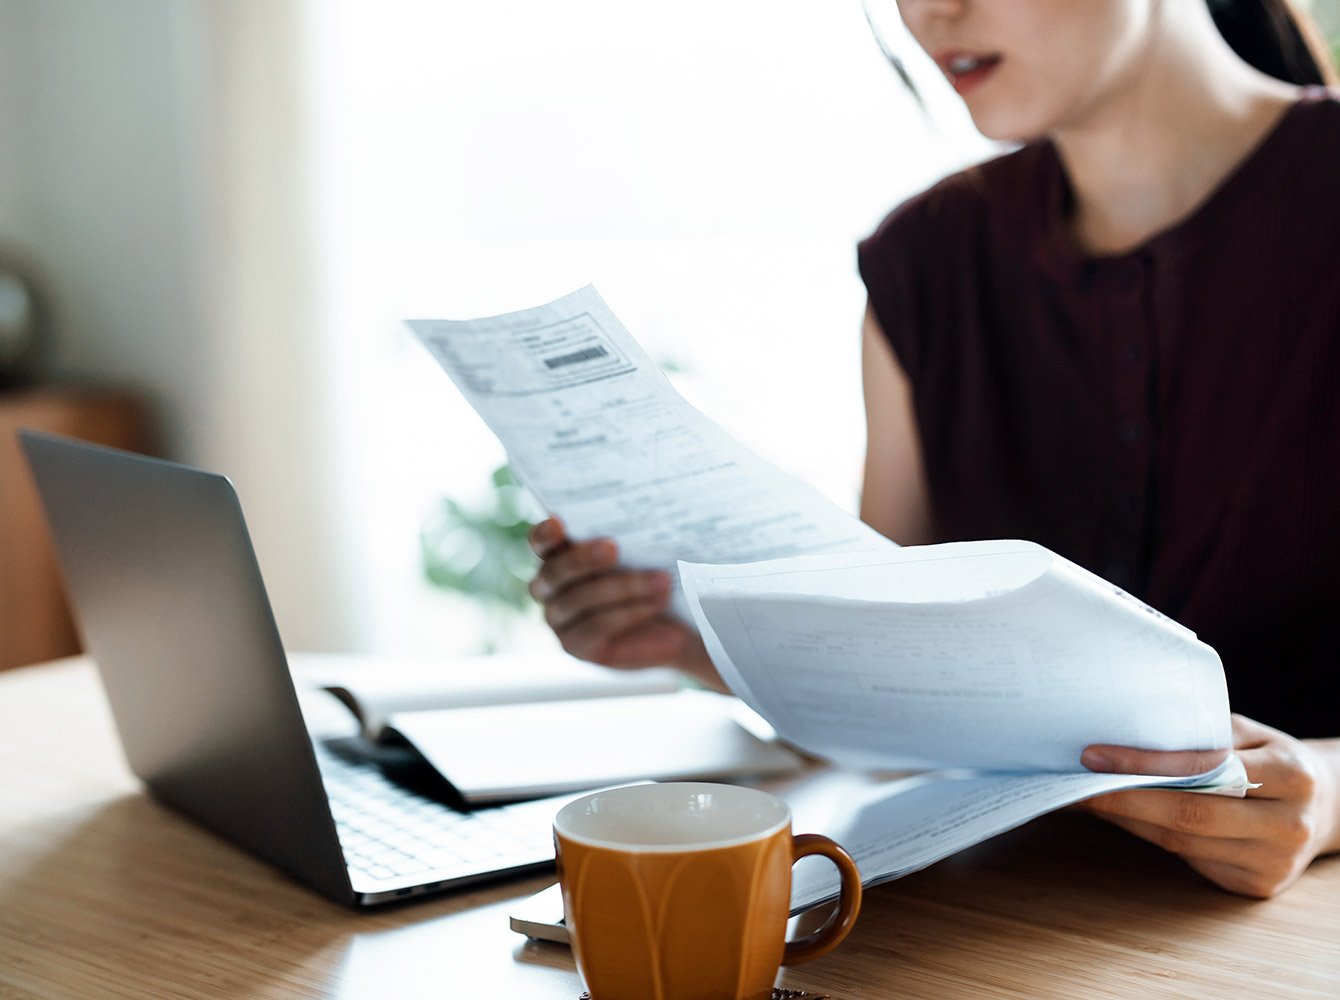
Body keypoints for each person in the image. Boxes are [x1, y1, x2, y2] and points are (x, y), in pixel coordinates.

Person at [527, 0, 1340, 899]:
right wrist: (684, 640)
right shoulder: (923, 261)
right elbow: (910, 686)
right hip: (989, 922)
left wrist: (1328, 796)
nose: (930, 14)